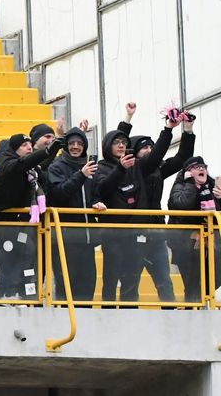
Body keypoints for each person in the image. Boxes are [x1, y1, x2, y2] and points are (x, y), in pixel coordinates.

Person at [0, 133, 62, 298]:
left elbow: (39, 165)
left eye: (30, 144)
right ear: (12, 150)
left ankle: (11, 293)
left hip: (11, 225)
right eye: (24, 145)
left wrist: (54, 149)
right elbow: (21, 164)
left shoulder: (29, 170)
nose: (29, 147)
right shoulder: (6, 167)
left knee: (26, 252)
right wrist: (47, 151)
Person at [94, 119, 170, 305]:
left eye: (124, 143)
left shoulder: (137, 165)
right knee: (111, 280)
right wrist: (120, 168)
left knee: (132, 281)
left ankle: (132, 317)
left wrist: (168, 129)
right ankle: (109, 319)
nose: (121, 146)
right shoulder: (101, 167)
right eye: (116, 143)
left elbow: (156, 156)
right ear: (107, 146)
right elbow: (104, 189)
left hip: (136, 233)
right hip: (114, 235)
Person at [125, 103, 194, 304]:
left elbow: (182, 158)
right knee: (131, 283)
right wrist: (168, 129)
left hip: (156, 233)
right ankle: (128, 320)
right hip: (132, 234)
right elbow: (156, 157)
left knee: (165, 282)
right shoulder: (135, 169)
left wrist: (187, 130)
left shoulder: (156, 171)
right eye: (144, 147)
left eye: (150, 146)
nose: (149, 150)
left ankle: (171, 319)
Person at [45, 125, 105, 303]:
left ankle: (84, 324)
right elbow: (59, 194)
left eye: (79, 143)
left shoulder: (90, 167)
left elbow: (95, 193)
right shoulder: (57, 167)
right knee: (66, 285)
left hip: (86, 239)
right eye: (72, 143)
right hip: (64, 239)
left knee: (87, 284)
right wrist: (81, 175)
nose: (76, 147)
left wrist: (97, 203)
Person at [167, 156, 221, 305]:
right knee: (191, 283)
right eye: (196, 167)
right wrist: (192, 184)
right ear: (188, 172)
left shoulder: (212, 186)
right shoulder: (181, 186)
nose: (201, 169)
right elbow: (180, 204)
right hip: (186, 244)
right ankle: (192, 311)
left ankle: (203, 301)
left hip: (212, 243)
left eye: (203, 166)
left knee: (214, 278)